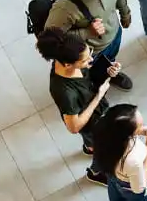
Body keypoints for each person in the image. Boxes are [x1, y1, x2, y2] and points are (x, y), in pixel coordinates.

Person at [36, 27, 120, 186]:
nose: (90, 61)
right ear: (68, 65)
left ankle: (89, 147)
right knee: (102, 150)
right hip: (90, 123)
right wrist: (99, 96)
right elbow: (73, 127)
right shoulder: (64, 91)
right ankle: (96, 172)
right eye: (85, 60)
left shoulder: (68, 57)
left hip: (93, 114)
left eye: (90, 54)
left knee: (91, 141)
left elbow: (90, 75)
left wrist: (107, 71)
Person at [45, 0, 133, 91]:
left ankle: (109, 74)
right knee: (93, 76)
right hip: (91, 53)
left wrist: (125, 12)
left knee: (110, 62)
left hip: (114, 34)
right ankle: (96, 89)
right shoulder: (65, 7)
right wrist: (87, 32)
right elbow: (51, 40)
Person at [93, 104, 147, 201]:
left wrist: (139, 131)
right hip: (130, 183)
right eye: (139, 127)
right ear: (127, 135)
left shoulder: (103, 132)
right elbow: (139, 188)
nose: (143, 128)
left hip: (112, 174)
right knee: (138, 200)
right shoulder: (133, 159)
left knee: (115, 190)